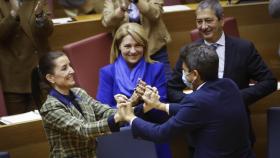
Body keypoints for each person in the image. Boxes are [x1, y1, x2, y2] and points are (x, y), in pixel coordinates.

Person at [167, 0, 277, 145]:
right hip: (201, 135)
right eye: (199, 21)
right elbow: (172, 89)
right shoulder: (188, 51)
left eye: (208, 20)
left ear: (221, 20)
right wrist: (194, 103)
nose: (204, 26)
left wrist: (237, 97)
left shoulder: (244, 48)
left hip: (237, 133)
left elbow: (269, 82)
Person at [117, 43, 256, 158]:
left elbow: (160, 133)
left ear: (195, 74)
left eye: (185, 71)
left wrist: (130, 117)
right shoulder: (229, 85)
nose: (183, 75)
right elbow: (202, 111)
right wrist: (159, 105)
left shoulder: (197, 101)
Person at [96, 22, 172, 158]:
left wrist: (146, 99)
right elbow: (103, 115)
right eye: (127, 46)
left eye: (138, 45)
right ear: (118, 46)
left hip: (152, 136)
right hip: (120, 140)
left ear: (145, 46)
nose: (133, 50)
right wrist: (133, 102)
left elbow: (163, 114)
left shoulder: (156, 69)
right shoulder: (107, 73)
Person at [31, 51, 121, 157]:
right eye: (64, 68)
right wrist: (118, 117)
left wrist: (136, 109)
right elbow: (83, 129)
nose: (72, 71)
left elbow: (103, 111)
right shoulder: (50, 107)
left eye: (70, 66)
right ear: (51, 78)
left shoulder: (79, 93)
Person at [0, 0, 53, 115]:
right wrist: (13, 14)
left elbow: (48, 31)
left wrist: (40, 16)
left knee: (41, 124)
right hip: (14, 77)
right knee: (19, 128)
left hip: (39, 74)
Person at [102, 0, 172, 79]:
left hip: (154, 48)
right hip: (129, 52)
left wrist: (137, 1)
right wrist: (122, 9)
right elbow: (107, 22)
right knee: (132, 86)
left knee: (166, 83)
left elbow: (155, 14)